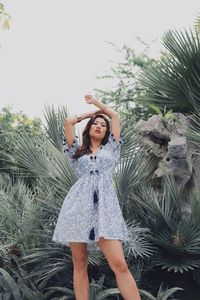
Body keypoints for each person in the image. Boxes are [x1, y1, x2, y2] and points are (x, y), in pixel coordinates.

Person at [52, 95, 141, 300]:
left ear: (108, 132)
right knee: (80, 263)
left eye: (103, 124)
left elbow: (115, 115)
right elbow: (68, 122)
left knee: (120, 264)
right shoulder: (75, 150)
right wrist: (90, 113)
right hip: (77, 208)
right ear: (89, 127)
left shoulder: (112, 147)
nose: (99, 126)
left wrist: (99, 106)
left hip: (106, 210)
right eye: (96, 124)